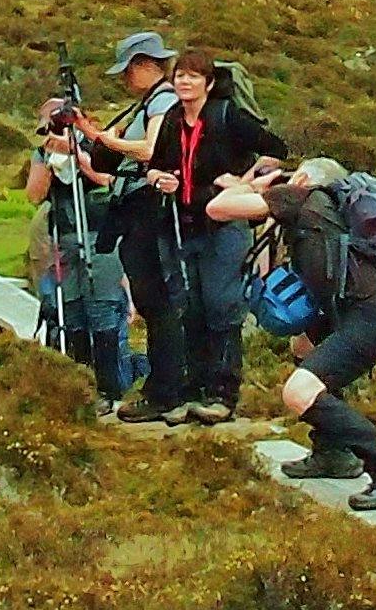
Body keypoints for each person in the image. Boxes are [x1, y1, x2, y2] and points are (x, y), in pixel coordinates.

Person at [220, 154, 376, 512]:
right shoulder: (332, 214)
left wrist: (255, 185)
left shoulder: (304, 198)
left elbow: (218, 207)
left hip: (375, 315)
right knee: (303, 344)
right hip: (372, 308)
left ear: (302, 178)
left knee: (299, 392)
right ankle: (333, 453)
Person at [139, 47, 282, 426]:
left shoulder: (226, 116)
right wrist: (159, 178)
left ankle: (223, 393)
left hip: (224, 228)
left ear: (209, 82)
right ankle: (196, 392)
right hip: (182, 227)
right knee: (192, 308)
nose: (184, 81)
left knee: (222, 305)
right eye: (180, 75)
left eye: (193, 76)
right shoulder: (172, 118)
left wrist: (245, 182)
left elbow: (276, 150)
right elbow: (154, 165)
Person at [69, 32, 185, 421]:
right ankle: (164, 386)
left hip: (149, 211)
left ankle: (165, 389)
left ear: (142, 65)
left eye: (127, 70)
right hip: (138, 209)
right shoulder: (150, 103)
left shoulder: (163, 101)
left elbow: (151, 150)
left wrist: (106, 141)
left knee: (157, 301)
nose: (123, 79)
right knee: (153, 301)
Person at [22, 78, 131, 402]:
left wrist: (79, 152)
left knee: (103, 310)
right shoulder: (44, 151)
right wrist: (47, 158)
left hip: (102, 238)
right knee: (71, 312)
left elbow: (109, 181)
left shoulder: (98, 146)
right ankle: (81, 386)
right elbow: (34, 195)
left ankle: (111, 387)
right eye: (48, 123)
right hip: (65, 236)